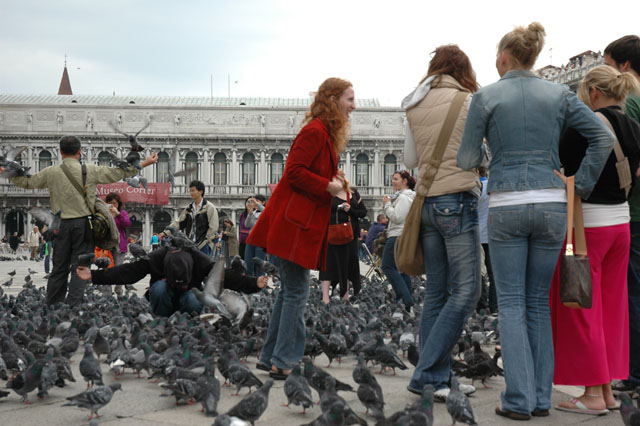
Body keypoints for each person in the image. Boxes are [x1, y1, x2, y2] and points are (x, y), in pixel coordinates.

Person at [458, 23, 615, 419]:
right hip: (551, 202)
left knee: (509, 303)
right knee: (537, 306)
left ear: (505, 57)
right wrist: (579, 186)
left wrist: (493, 151)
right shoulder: (559, 94)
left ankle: (518, 400)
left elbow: (465, 159)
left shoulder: (487, 96)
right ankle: (541, 398)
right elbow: (603, 137)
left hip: (507, 202)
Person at [247, 77, 354, 379]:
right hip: (295, 224)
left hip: (297, 222)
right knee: (296, 292)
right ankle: (285, 360)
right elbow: (293, 172)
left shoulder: (321, 132)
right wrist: (328, 186)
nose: (353, 105)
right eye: (349, 98)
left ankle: (270, 356)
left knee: (289, 292)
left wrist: (332, 179)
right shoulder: (315, 131)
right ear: (332, 100)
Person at [551, 65, 640, 414]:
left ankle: (591, 394)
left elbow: (561, 165)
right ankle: (605, 391)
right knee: (610, 310)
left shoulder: (584, 126)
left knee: (581, 308)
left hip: (589, 225)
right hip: (621, 223)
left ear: (592, 93)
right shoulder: (633, 126)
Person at [3, 135, 158, 306]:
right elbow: (118, 173)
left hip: (59, 226)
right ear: (80, 151)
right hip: (84, 226)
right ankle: (72, 308)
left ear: (61, 151)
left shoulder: (51, 172)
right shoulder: (90, 170)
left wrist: (7, 173)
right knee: (79, 268)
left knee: (59, 268)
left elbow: (28, 182)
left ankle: (53, 307)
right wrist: (145, 163)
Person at [76, 246, 268, 317]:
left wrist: (254, 283)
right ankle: (161, 320)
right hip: (164, 297)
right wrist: (94, 276)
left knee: (194, 297)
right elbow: (130, 272)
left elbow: (225, 277)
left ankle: (188, 323)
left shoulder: (199, 259)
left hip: (188, 298)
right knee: (158, 288)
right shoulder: (158, 257)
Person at [604, 35, 640, 395]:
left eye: (607, 63)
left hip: (632, 211)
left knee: (632, 292)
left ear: (623, 66)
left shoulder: (629, 103)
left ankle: (634, 374)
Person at [319, 170, 366, 303]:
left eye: (339, 178)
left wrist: (349, 209)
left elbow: (362, 212)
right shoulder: (327, 194)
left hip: (349, 235)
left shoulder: (353, 193)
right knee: (328, 265)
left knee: (347, 265)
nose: (337, 181)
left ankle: (345, 294)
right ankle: (325, 297)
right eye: (334, 178)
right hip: (331, 234)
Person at [379, 171, 416, 311]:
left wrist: (387, 205)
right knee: (402, 269)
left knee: (387, 266)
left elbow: (397, 217)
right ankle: (405, 299)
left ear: (405, 181)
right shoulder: (408, 197)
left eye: (396, 179)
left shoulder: (403, 198)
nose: (392, 181)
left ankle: (406, 299)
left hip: (397, 236)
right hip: (403, 235)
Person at [162, 180, 218, 256]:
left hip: (203, 246)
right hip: (189, 244)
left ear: (200, 191)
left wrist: (205, 242)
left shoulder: (209, 208)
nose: (191, 193)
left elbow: (213, 227)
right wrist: (165, 233)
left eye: (193, 190)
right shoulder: (189, 208)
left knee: (203, 267)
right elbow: (178, 223)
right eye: (190, 191)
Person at [106, 192, 131, 295]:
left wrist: (118, 214)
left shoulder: (122, 213)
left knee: (118, 269)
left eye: (115, 203)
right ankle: (106, 293)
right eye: (110, 203)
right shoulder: (104, 213)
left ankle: (118, 289)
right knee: (106, 269)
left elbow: (127, 223)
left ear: (118, 204)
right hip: (106, 246)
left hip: (119, 246)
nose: (112, 205)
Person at [244, 194, 267, 276]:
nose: (254, 203)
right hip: (251, 240)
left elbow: (267, 212)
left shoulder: (266, 211)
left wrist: (257, 204)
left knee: (260, 264)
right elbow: (247, 224)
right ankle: (250, 283)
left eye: (257, 201)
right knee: (248, 262)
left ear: (263, 202)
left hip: (260, 241)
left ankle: (261, 286)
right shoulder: (253, 212)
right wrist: (250, 213)